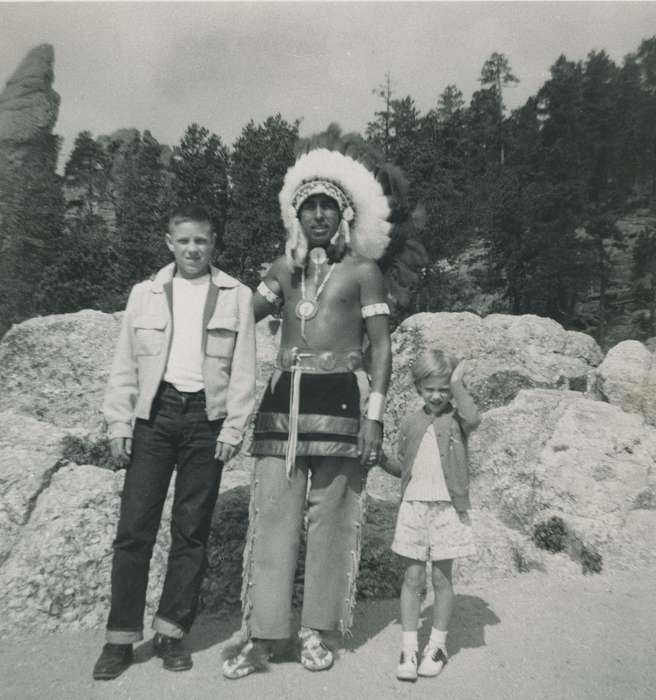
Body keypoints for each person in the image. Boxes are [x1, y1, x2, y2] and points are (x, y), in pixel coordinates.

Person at [223, 147, 393, 679]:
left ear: (343, 214)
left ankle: (318, 631)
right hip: (284, 404)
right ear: (295, 216)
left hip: (343, 401)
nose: (318, 213)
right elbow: (239, 316)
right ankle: (263, 634)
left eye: (327, 205)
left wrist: (375, 415)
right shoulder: (282, 269)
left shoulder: (364, 271)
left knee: (333, 518)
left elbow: (382, 348)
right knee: (274, 515)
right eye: (309, 206)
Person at [92, 205, 256, 680]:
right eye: (183, 241)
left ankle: (171, 632)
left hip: (206, 419)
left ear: (214, 243)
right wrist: (119, 425)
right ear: (168, 242)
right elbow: (125, 364)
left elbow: (243, 368)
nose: (193, 250)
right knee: (134, 529)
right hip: (155, 418)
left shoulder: (235, 295)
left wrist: (232, 427)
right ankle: (120, 639)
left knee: (192, 530)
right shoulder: (145, 294)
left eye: (201, 241)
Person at [378, 349, 480, 682]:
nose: (437, 396)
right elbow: (402, 467)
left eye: (444, 389)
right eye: (430, 388)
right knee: (412, 579)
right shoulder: (410, 422)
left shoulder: (458, 420)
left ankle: (437, 645)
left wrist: (457, 383)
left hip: (447, 509)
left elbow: (474, 417)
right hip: (413, 507)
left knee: (441, 579)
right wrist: (379, 459)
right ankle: (409, 647)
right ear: (418, 387)